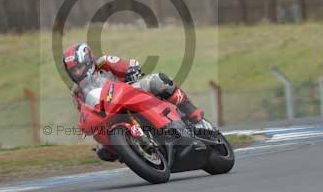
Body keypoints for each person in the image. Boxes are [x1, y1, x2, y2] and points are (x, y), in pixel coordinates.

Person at [63, 42, 212, 162]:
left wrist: (131, 70)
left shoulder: (104, 62)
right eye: (73, 71)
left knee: (158, 81)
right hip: (109, 111)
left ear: (88, 61)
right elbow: (86, 111)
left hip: (129, 90)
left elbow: (129, 65)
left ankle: (194, 114)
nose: (77, 73)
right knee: (102, 149)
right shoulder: (76, 92)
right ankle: (130, 150)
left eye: (79, 68)